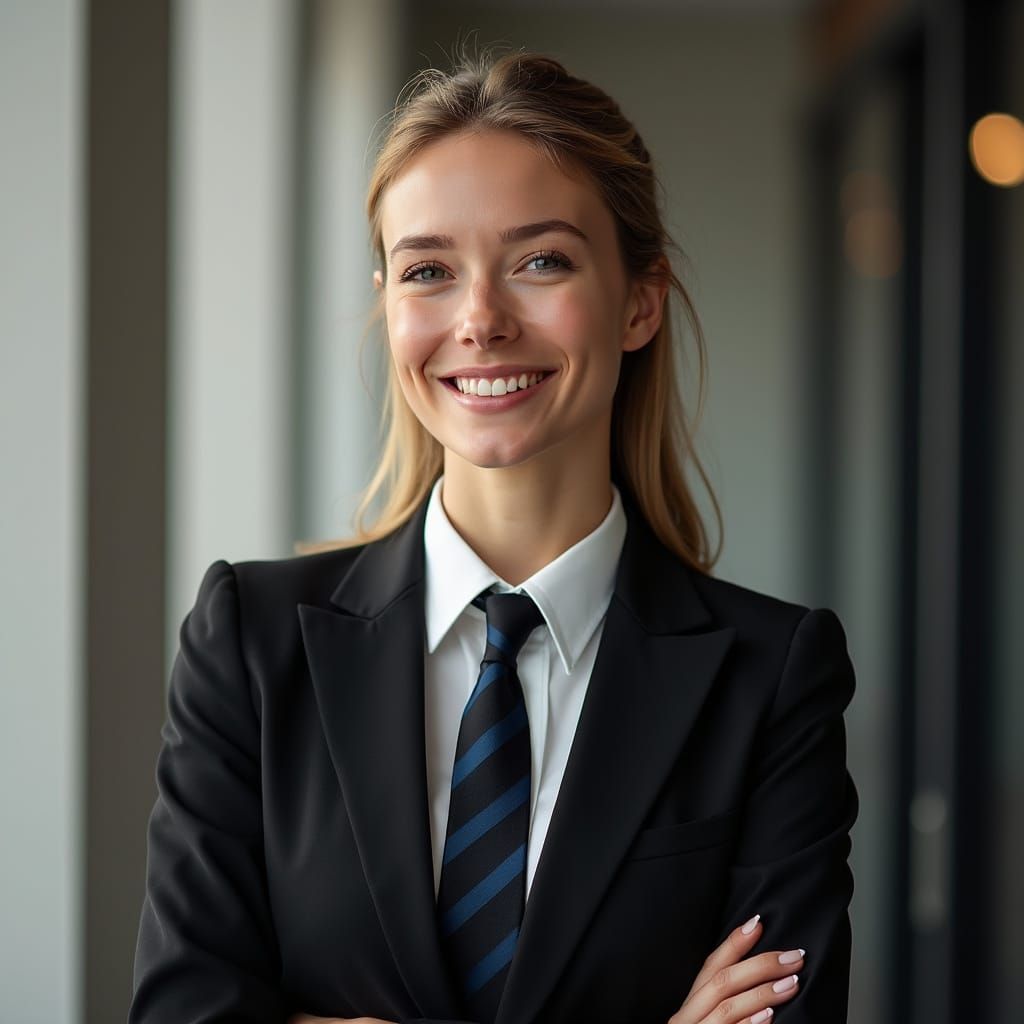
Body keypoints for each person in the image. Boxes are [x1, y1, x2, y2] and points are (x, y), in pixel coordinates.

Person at [129, 50, 858, 1024]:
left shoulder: (770, 677)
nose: (478, 319)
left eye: (540, 260)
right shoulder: (251, 644)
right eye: (429, 270)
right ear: (390, 303)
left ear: (640, 298)